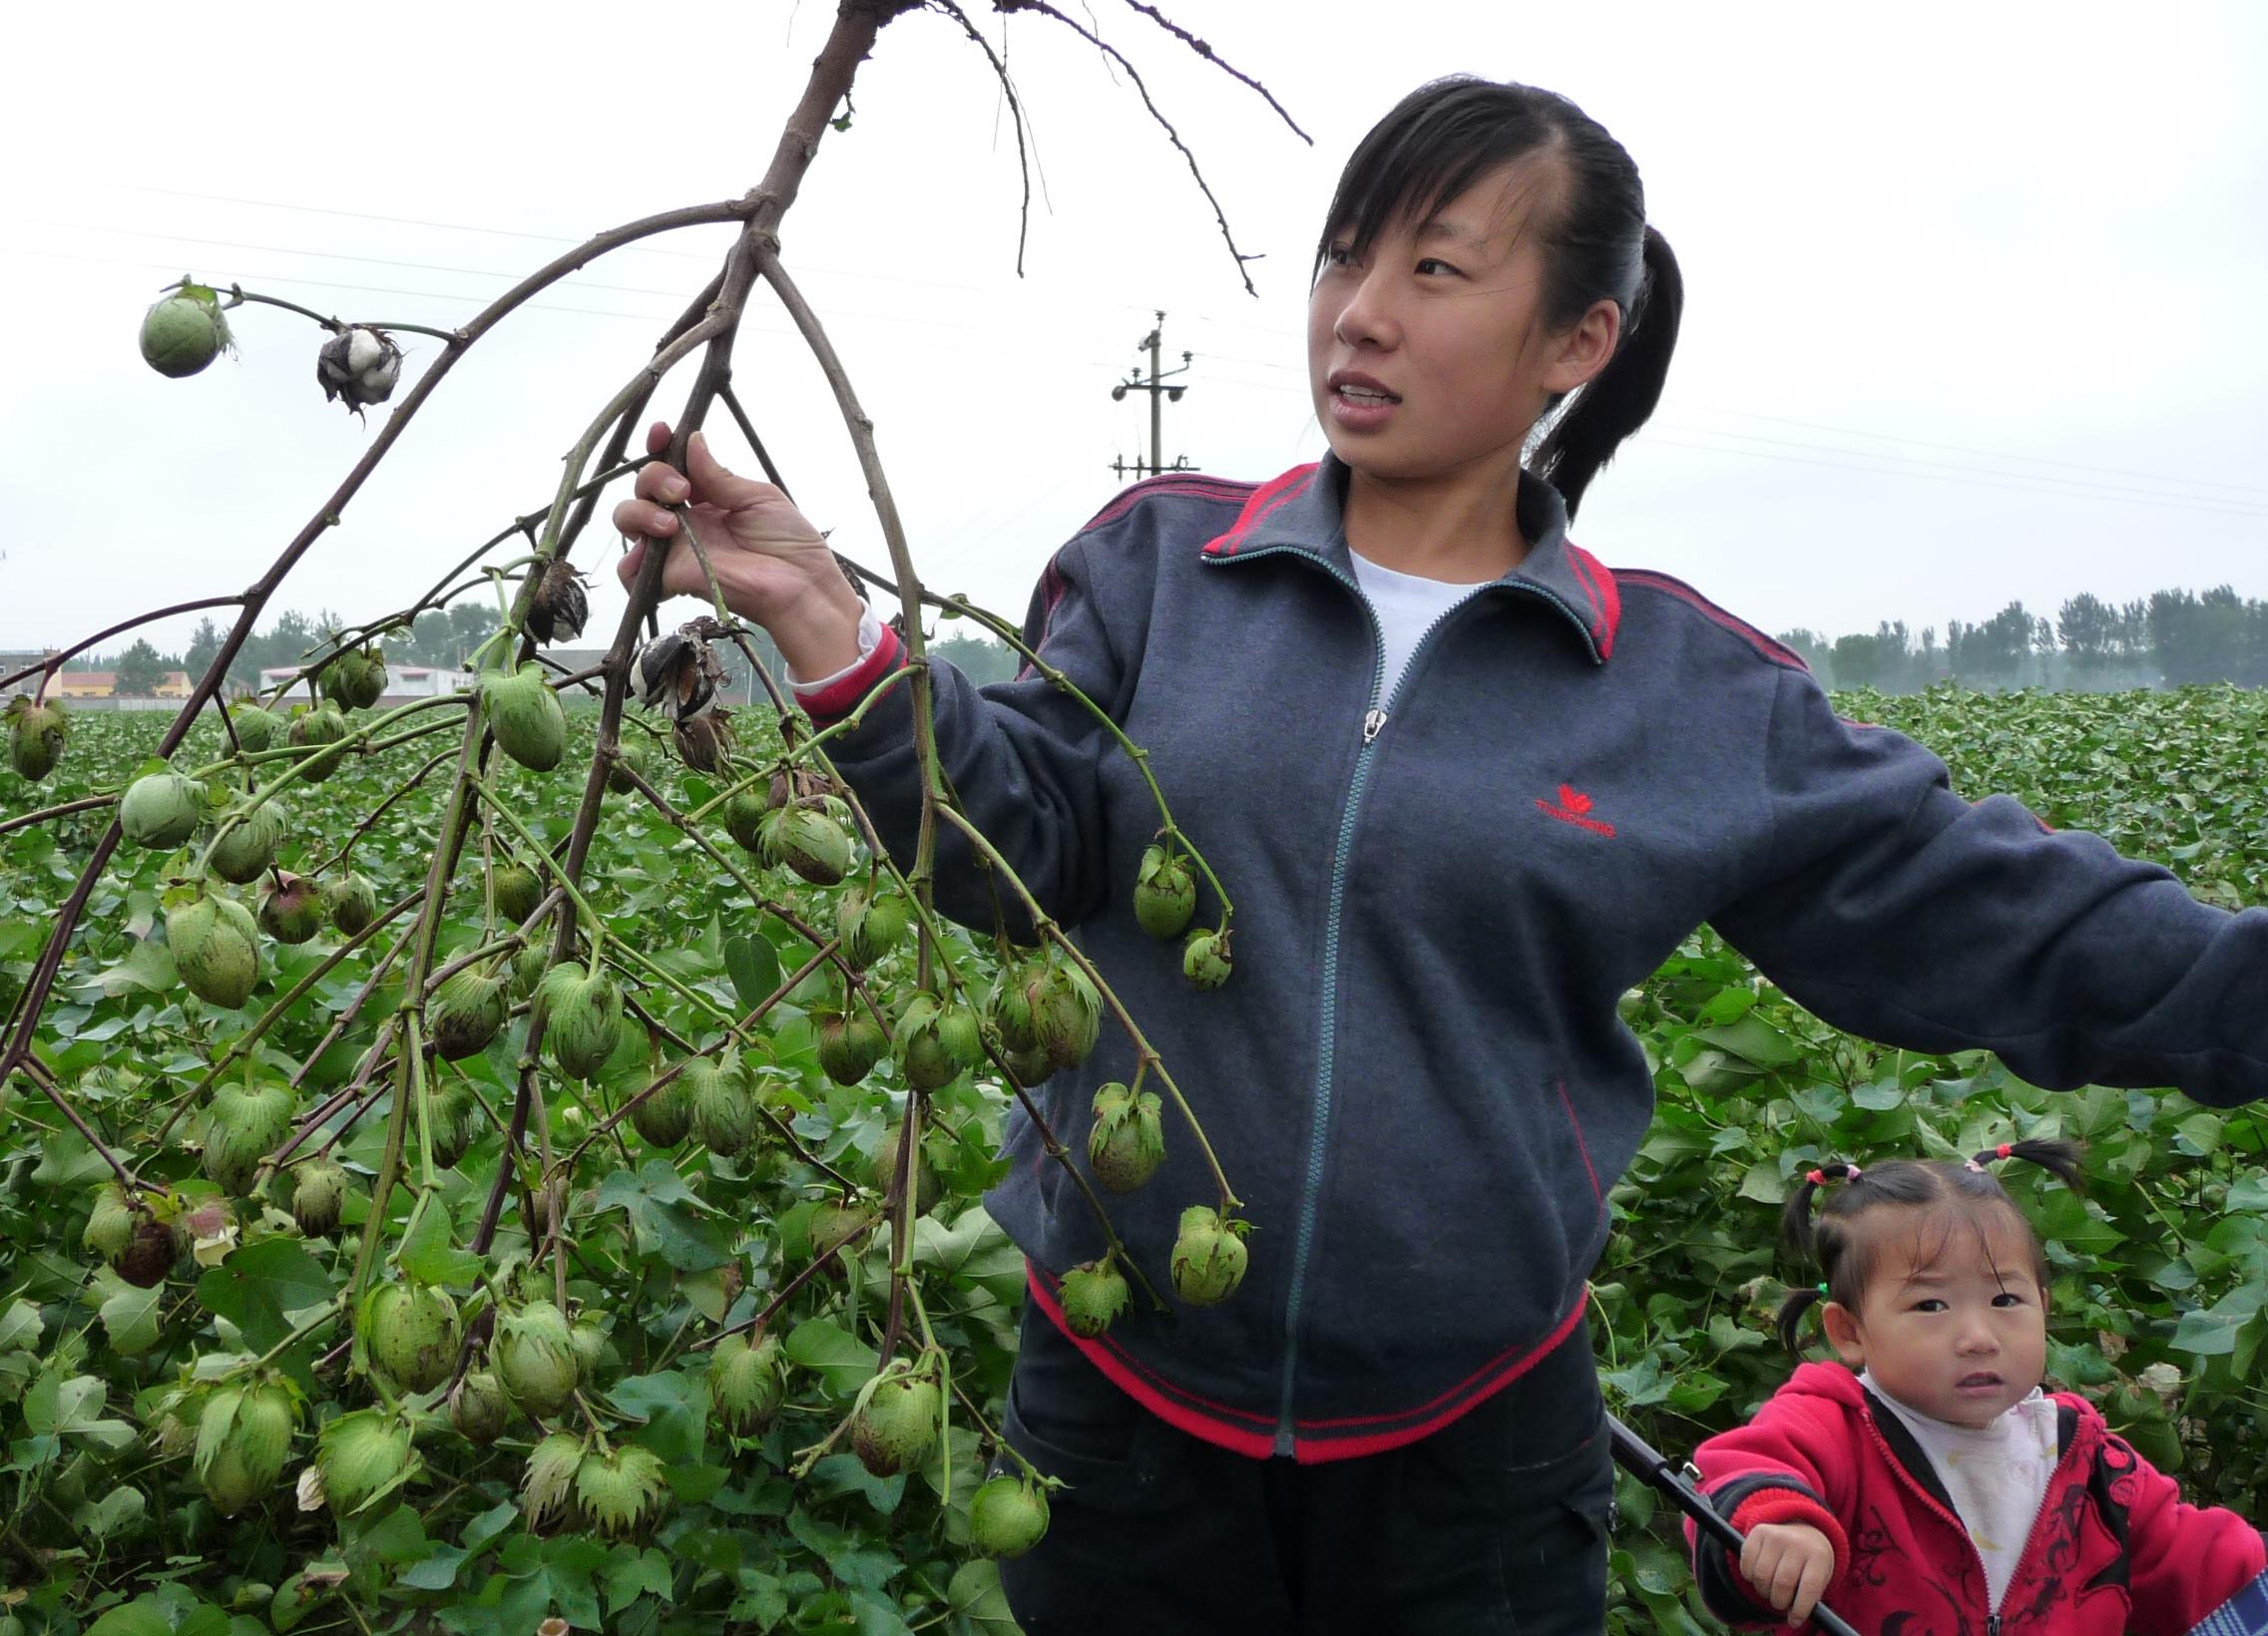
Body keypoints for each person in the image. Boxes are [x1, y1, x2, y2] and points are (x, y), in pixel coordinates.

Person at [612, 76, 2268, 1635]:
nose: (1359, 312)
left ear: (1575, 338)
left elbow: (1991, 917)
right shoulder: (1164, 566)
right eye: (1344, 255)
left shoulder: (1675, 689)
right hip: (1121, 1411)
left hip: (1472, 1452)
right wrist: (831, 630)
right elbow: (1013, 845)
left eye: (1434, 268)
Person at [1685, 1144, 2268, 1633]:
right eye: (1930, 1304)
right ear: (1850, 1331)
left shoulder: (2084, 1454)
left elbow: (2194, 1559)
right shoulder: (1832, 1424)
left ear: (2042, 1307)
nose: (1977, 1337)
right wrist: (1783, 1528)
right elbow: (1740, 1475)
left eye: (2005, 1300)